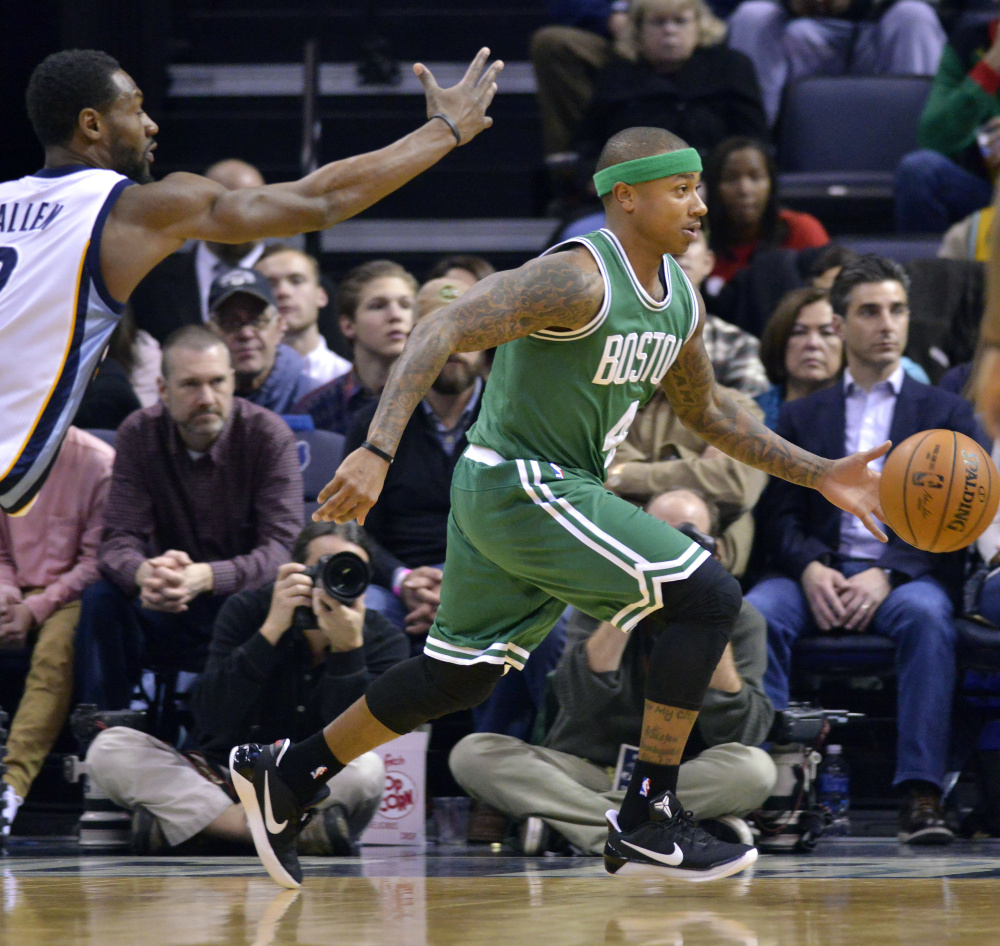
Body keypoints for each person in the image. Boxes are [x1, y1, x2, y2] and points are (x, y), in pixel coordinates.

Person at [226, 125, 888, 889]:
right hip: (524, 482)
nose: (701, 205)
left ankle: (292, 772)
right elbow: (441, 325)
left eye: (700, 187)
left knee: (455, 678)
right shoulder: (577, 279)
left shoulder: (678, 299)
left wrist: (823, 473)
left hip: (536, 492)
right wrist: (376, 449)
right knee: (709, 595)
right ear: (626, 198)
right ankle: (646, 813)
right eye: (682, 189)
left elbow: (711, 415)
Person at [0, 46, 503, 515]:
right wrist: (443, 130)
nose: (151, 125)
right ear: (91, 124)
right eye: (135, 110)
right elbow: (318, 201)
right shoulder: (130, 209)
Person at [745, 254, 983, 845]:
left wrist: (890, 572)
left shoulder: (947, 412)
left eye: (897, 311)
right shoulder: (802, 414)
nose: (887, 324)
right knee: (757, 614)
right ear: (843, 322)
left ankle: (922, 794)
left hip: (905, 577)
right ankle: (777, 787)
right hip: (815, 573)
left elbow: (960, 519)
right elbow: (779, 516)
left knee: (929, 617)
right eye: (870, 311)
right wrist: (810, 569)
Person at [449, 487, 776, 855]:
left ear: (712, 550)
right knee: (473, 753)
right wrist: (630, 600)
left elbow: (739, 732)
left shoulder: (743, 620)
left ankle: (580, 825)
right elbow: (579, 703)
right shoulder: (598, 600)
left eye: (682, 538)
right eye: (654, 534)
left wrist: (713, 617)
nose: (665, 549)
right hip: (585, 770)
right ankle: (645, 829)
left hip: (678, 773)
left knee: (756, 769)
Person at [85, 520, 409, 855]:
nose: (332, 581)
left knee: (367, 770)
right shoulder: (249, 610)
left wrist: (348, 652)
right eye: (322, 569)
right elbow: (210, 718)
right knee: (110, 747)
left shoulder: (383, 638)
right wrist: (269, 632)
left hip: (310, 781)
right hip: (224, 779)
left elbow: (354, 740)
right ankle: (278, 833)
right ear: (294, 571)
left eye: (348, 571)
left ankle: (206, 829)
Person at [74, 327, 304, 712]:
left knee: (280, 596)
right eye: (191, 385)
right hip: (166, 598)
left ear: (233, 382)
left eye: (217, 382)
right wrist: (145, 573)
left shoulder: (268, 435)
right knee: (101, 599)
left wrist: (208, 577)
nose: (207, 399)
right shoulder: (138, 433)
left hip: (242, 602)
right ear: (163, 390)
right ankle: (102, 733)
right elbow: (117, 541)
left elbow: (283, 551)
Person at [0, 427, 115, 841]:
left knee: (54, 655)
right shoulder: (3, 453)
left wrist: (33, 609)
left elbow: (95, 562)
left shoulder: (97, 462)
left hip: (70, 595)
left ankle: (9, 789)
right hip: (12, 590)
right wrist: (8, 597)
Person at [572, 0, 769, 184]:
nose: (669, 30)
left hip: (717, 188)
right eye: (658, 22)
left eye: (680, 21)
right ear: (639, 30)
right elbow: (590, 145)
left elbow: (752, 140)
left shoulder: (732, 68)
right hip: (635, 190)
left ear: (699, 26)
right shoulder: (616, 75)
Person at [727, 0, 945, 127]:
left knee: (914, 15)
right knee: (752, 16)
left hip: (878, 33)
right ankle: (752, 147)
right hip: (800, 33)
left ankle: (917, 147)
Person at [126, 159, 269, 343]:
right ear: (199, 207)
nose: (238, 216)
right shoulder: (149, 281)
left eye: (251, 204)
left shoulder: (295, 280)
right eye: (225, 204)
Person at [894, 16, 999, 234]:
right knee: (920, 170)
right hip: (986, 191)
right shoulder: (967, 44)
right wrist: (988, 70)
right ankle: (928, 267)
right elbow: (933, 138)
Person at [293, 261, 419, 436]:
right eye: (378, 306)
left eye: (405, 305)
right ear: (348, 326)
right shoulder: (315, 408)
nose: (396, 315)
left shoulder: (434, 400)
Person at [702, 137, 828, 298]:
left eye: (755, 177)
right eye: (731, 179)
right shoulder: (696, 241)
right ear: (713, 187)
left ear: (771, 184)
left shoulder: (802, 229)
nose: (744, 190)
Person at [207, 267, 320, 414]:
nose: (246, 334)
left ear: (279, 326)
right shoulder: (198, 401)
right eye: (230, 323)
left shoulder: (314, 399)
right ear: (209, 332)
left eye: (257, 321)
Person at [671, 228, 769, 394]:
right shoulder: (617, 334)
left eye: (691, 241)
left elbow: (747, 415)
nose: (680, 250)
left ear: (708, 262)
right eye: (668, 239)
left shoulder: (738, 345)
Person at [255, 246, 351, 387]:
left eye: (296, 281)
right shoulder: (237, 382)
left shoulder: (347, 378)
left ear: (321, 296)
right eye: (270, 284)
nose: (283, 292)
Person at [754, 286, 843, 429]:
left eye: (827, 332)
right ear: (779, 341)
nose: (813, 343)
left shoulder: (862, 416)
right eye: (799, 332)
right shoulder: (748, 416)